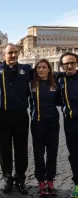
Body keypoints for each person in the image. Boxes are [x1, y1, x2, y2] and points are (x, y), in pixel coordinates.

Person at [0, 43, 32, 194]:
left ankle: (20, 179)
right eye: (10, 53)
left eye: (15, 52)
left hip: (21, 114)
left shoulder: (27, 69)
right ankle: (7, 178)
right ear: (4, 55)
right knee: (4, 148)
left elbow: (46, 74)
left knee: (22, 148)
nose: (13, 55)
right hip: (3, 114)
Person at [30, 59, 61, 196]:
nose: (41, 70)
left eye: (44, 67)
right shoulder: (31, 84)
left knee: (52, 153)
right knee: (38, 153)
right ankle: (41, 181)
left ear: (49, 69)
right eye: (39, 67)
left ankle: (50, 180)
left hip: (53, 123)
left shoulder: (56, 83)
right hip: (37, 122)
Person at [57, 52, 78, 198]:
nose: (69, 66)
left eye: (72, 62)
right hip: (70, 122)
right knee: (74, 155)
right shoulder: (59, 79)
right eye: (66, 64)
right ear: (62, 66)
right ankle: (77, 183)